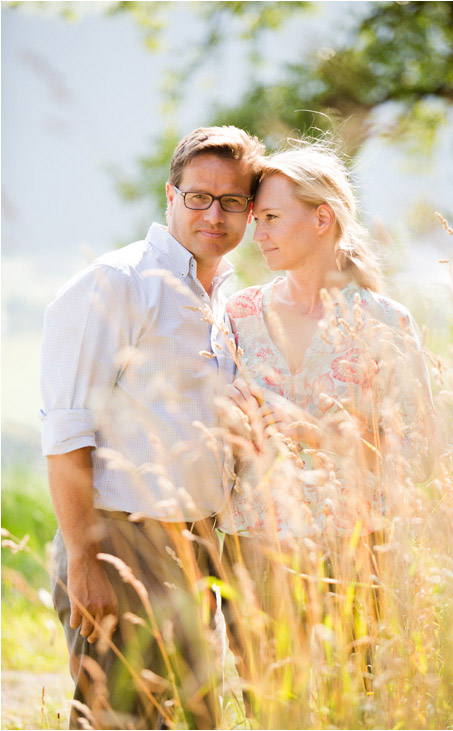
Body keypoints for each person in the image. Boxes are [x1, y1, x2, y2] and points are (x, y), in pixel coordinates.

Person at [40, 125, 266, 729]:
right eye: (199, 196)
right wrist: (86, 559)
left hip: (196, 549)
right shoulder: (116, 282)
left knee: (195, 720)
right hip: (119, 542)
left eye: (232, 201)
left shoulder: (227, 299)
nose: (214, 215)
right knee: (118, 719)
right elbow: (66, 432)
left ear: (249, 210)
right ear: (170, 196)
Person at [215, 140, 434, 721]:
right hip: (252, 544)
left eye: (269, 218)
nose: (255, 232)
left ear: (322, 217)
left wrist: (313, 434)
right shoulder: (236, 315)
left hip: (354, 550)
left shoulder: (386, 323)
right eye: (254, 218)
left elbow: (419, 454)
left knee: (353, 710)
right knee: (269, 711)